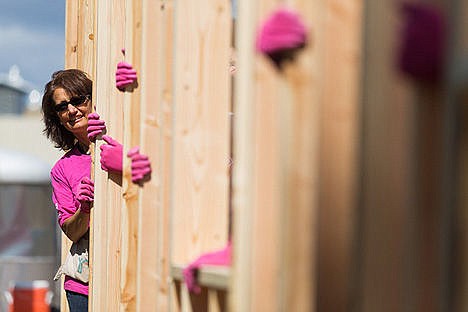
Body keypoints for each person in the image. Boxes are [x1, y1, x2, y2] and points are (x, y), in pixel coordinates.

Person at [41, 69, 151, 311]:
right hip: (84, 286)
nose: (71, 110)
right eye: (62, 107)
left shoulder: (127, 137)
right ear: (57, 118)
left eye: (79, 100)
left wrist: (126, 163)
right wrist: (84, 208)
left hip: (133, 271)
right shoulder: (62, 169)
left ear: (94, 98)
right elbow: (71, 230)